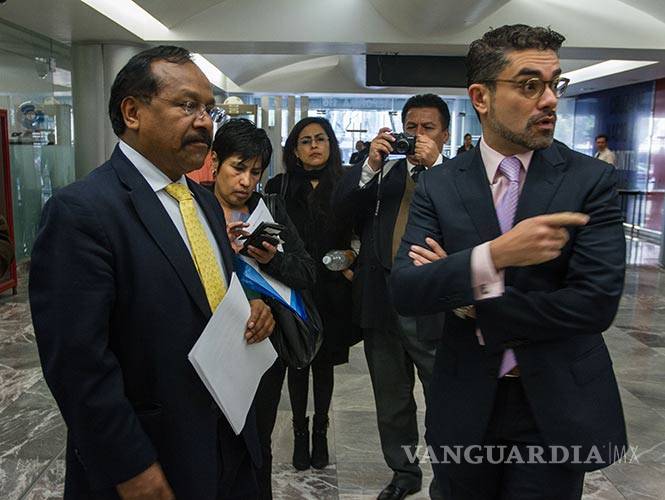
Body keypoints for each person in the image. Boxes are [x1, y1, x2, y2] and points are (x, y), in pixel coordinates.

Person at [390, 25, 627, 500]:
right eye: (529, 85)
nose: (550, 100)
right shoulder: (439, 184)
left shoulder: (589, 180)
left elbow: (594, 304)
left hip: (555, 404)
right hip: (465, 400)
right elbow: (407, 290)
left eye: (555, 84)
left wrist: (473, 296)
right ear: (481, 97)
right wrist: (496, 255)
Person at [29, 46, 276, 499]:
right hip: (153, 459)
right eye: (187, 105)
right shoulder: (83, 211)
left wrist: (251, 306)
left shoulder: (203, 202)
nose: (205, 122)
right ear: (133, 112)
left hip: (230, 442)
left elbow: (206, 292)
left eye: (209, 109)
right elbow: (77, 364)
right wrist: (131, 468)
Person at [332, 93, 450, 500]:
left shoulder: (456, 177)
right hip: (382, 302)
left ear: (445, 134)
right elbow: (341, 209)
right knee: (391, 398)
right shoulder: (384, 174)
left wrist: (434, 168)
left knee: (444, 397)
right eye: (411, 128)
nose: (417, 136)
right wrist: (370, 163)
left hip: (433, 305)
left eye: (428, 128)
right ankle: (403, 473)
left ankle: (449, 476)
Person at [209, 118, 316, 499]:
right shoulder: (193, 208)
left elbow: (306, 272)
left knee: (257, 442)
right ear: (215, 161)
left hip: (265, 346)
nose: (246, 182)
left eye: (255, 172)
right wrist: (221, 248)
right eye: (238, 168)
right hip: (210, 346)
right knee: (211, 442)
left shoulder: (269, 209)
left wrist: (272, 259)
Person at [265, 117, 360, 472]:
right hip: (294, 287)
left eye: (321, 139)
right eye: (305, 141)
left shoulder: (346, 184)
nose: (314, 146)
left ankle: (321, 432)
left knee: (324, 364)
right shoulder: (279, 186)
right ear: (295, 150)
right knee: (297, 361)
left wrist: (352, 259)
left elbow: (361, 232)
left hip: (333, 289)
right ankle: (300, 433)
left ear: (331, 144)